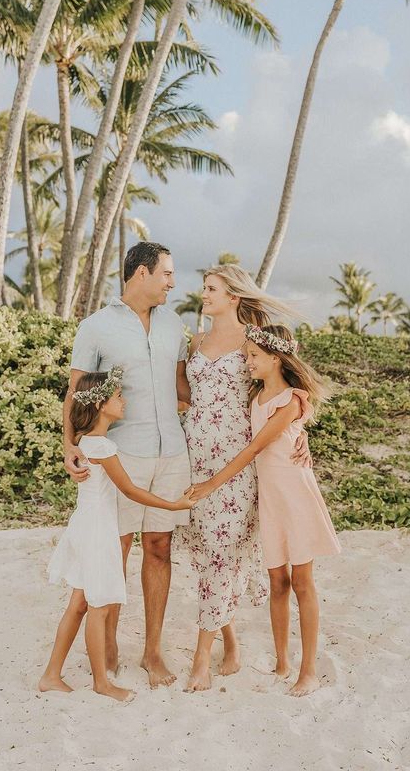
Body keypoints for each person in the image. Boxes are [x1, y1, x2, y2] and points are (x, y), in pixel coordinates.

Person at [63, 242, 191, 687]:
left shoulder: (176, 325)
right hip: (123, 454)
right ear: (141, 273)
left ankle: (153, 651)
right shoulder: (95, 327)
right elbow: (77, 390)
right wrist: (69, 445)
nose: (173, 282)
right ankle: (110, 644)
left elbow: (182, 386)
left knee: (160, 549)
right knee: (113, 554)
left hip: (172, 451)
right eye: (168, 274)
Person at [188, 324, 340, 698]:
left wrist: (211, 484)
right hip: (269, 498)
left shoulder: (289, 401)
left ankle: (308, 671)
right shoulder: (256, 395)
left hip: (293, 494)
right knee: (277, 582)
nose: (247, 361)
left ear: (276, 358)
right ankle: (282, 662)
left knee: (302, 581)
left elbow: (255, 448)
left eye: (254, 356)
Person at [178, 264, 309, 692]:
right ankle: (230, 642)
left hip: (235, 465)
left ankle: (202, 657)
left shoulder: (254, 340)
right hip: (194, 458)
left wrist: (299, 427)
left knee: (220, 551)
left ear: (234, 295)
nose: (203, 294)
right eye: (204, 288)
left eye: (211, 288)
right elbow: (183, 395)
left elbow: (284, 382)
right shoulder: (195, 341)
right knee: (207, 554)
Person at [41, 368, 196, 702]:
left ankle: (51, 674)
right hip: (99, 531)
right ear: (100, 404)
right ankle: (101, 683)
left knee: (79, 603)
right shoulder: (102, 446)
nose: (124, 402)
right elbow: (130, 490)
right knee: (97, 605)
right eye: (117, 397)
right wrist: (173, 504)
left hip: (86, 525)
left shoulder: (86, 442)